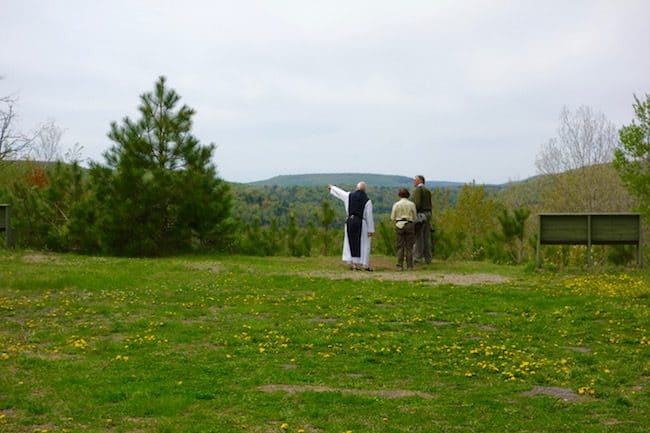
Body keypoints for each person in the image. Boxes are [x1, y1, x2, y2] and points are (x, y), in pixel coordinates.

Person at [328, 182, 375, 270]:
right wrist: (370, 230)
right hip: (362, 223)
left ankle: (353, 264)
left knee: (350, 243)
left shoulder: (349, 196)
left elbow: (340, 192)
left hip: (350, 221)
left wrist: (332, 188)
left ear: (356, 188)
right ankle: (364, 264)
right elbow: (369, 216)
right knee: (364, 244)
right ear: (365, 190)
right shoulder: (367, 200)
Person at [391, 188, 417, 270]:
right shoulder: (411, 204)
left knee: (400, 246)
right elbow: (415, 216)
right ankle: (409, 266)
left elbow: (392, 217)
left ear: (399, 195)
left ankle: (399, 265)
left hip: (399, 224)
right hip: (409, 224)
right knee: (409, 247)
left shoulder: (396, 204)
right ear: (408, 195)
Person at [412, 175, 433, 264]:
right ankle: (428, 258)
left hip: (421, 215)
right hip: (428, 214)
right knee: (426, 236)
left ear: (420, 181)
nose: (414, 182)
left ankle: (418, 257)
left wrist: (413, 215)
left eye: (415, 180)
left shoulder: (418, 190)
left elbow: (417, 204)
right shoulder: (427, 190)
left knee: (419, 237)